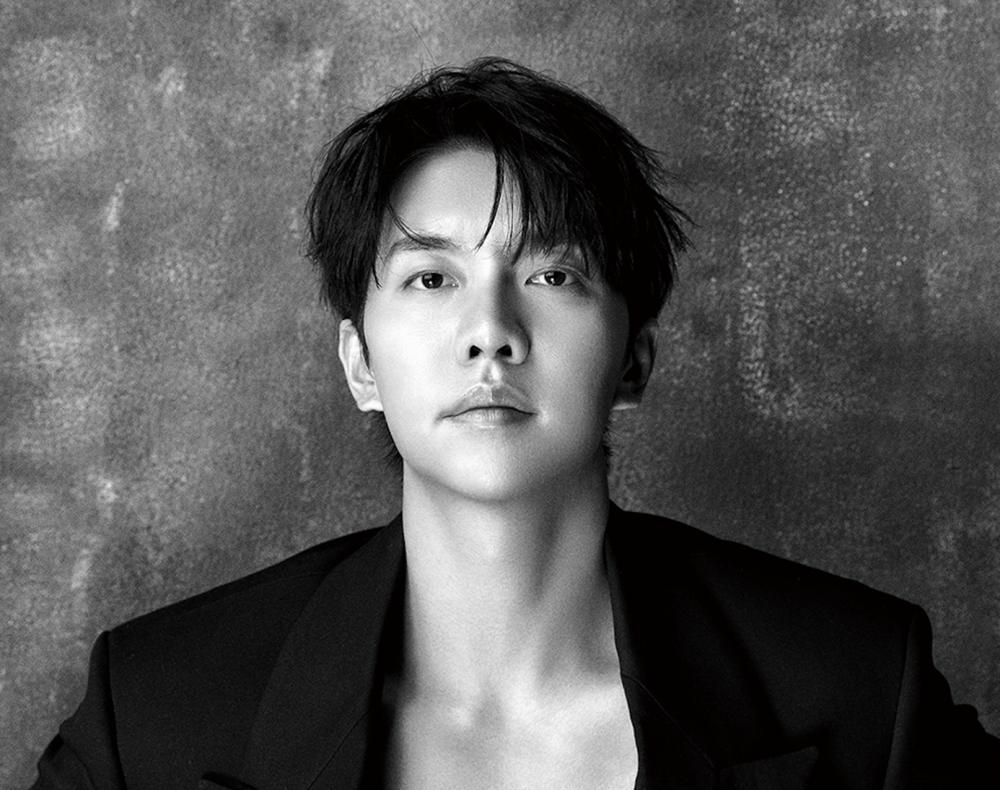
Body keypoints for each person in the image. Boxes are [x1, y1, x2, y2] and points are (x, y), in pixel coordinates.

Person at [31, 58, 998, 790]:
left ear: (635, 359)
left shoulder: (861, 690)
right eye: (431, 278)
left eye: (553, 274)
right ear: (360, 363)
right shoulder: (154, 711)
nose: (490, 332)